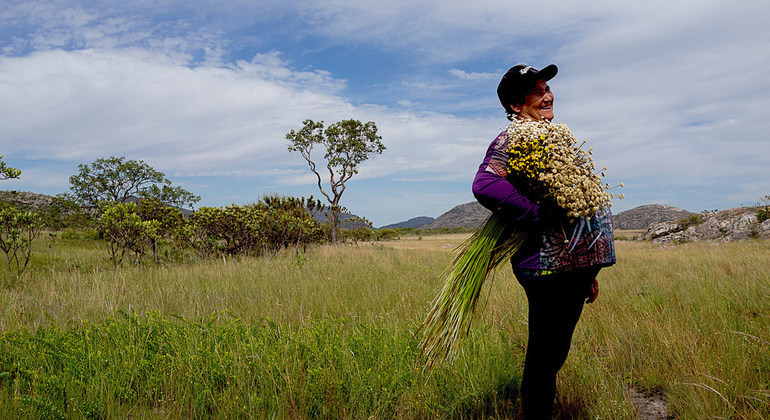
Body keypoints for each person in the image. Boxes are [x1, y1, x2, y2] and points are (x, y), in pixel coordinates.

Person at [472, 64, 615, 419]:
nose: (548, 95)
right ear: (518, 105)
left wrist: (589, 271)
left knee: (554, 351)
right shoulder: (515, 139)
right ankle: (534, 413)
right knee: (545, 353)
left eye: (547, 88)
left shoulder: (551, 136)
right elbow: (485, 184)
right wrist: (535, 214)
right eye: (538, 91)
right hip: (548, 268)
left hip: (573, 268)